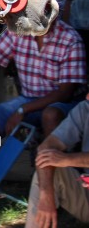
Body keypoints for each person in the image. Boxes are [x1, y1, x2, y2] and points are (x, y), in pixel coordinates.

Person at [0, 18, 86, 166]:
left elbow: (64, 93)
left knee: (51, 115)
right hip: (26, 99)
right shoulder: (18, 29)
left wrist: (22, 110)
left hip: (60, 103)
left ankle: (53, 179)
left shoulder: (70, 39)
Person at [25, 93, 89, 227]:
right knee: (46, 163)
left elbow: (66, 159)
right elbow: (46, 148)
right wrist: (46, 195)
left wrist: (68, 159)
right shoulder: (85, 108)